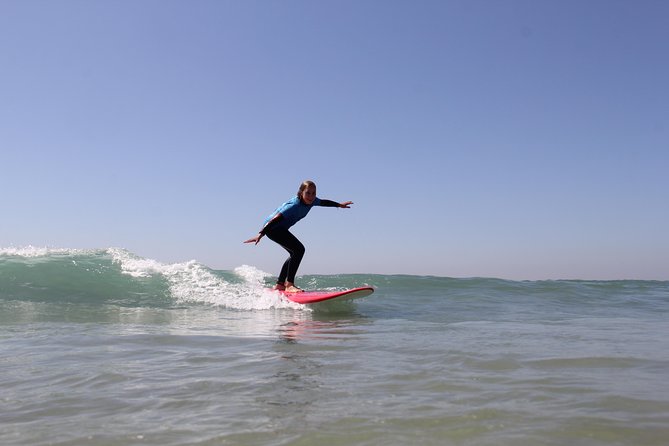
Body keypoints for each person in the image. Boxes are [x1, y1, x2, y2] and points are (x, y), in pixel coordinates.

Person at [244, 180, 353, 293]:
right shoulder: (294, 206)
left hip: (279, 229)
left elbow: (324, 202)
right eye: (308, 193)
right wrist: (260, 234)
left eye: (313, 193)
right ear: (301, 192)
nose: (311, 196)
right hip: (272, 228)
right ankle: (289, 284)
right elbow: (275, 219)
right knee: (299, 250)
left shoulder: (312, 201)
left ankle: (280, 284)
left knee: (294, 252)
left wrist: (339, 205)